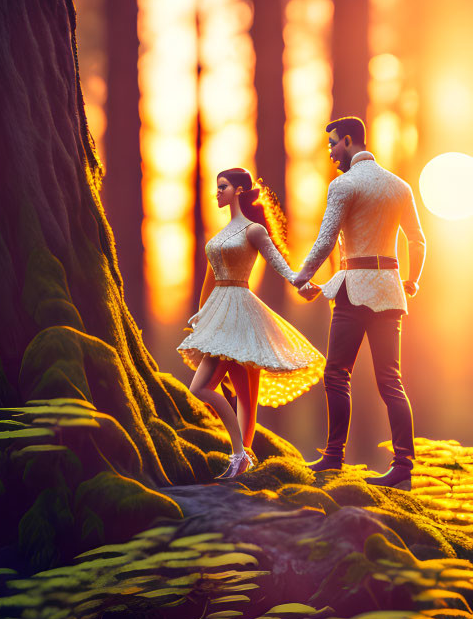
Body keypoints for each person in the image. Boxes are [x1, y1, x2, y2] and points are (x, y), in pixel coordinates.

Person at [291, 117, 426, 489]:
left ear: (349, 141)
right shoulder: (399, 186)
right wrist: (412, 280)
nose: (332, 152)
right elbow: (418, 241)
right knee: (391, 381)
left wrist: (299, 277)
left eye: (333, 144)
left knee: (337, 374)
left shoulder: (344, 185)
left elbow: (324, 241)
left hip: (354, 291)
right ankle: (403, 466)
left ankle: (334, 457)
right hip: (390, 290)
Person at [179, 168, 325, 480]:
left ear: (240, 190)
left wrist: (301, 282)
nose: (217, 192)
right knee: (223, 390)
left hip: (240, 311)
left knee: (220, 390)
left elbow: (280, 263)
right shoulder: (220, 236)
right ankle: (242, 454)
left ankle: (239, 454)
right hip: (219, 314)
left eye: (223, 187)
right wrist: (201, 316)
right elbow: (209, 279)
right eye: (217, 187)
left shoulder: (254, 231)